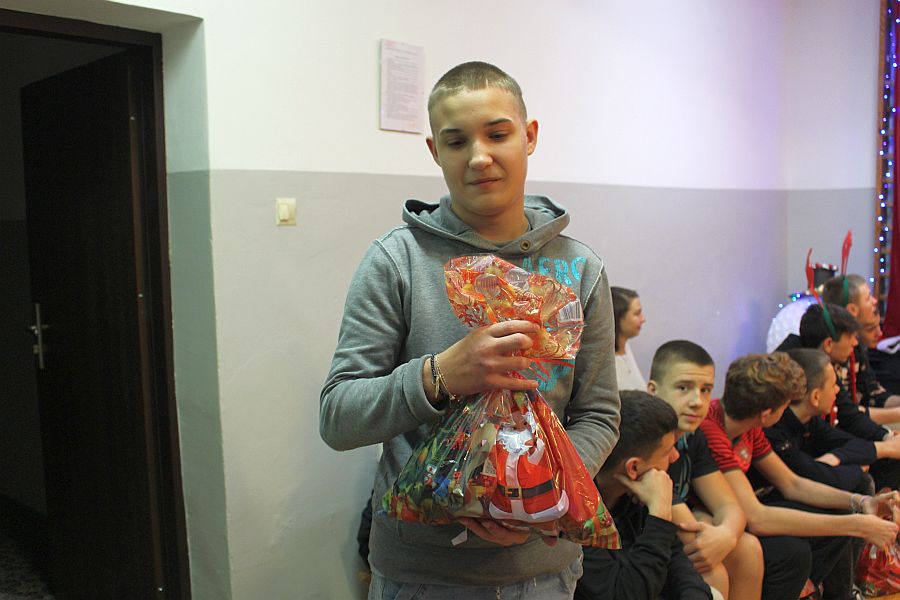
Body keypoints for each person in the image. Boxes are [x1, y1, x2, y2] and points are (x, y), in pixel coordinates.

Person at [319, 61, 621, 599]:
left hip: (544, 571)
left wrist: (534, 497)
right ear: (435, 151)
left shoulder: (581, 270)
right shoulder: (396, 262)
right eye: (456, 141)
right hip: (420, 573)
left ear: (529, 136)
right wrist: (440, 376)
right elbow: (339, 418)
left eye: (498, 134)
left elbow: (598, 413)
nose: (479, 157)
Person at [698, 353, 900, 599]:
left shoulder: (747, 424)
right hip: (715, 522)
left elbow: (792, 483)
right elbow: (757, 517)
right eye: (785, 406)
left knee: (839, 515)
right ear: (767, 414)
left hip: (739, 513)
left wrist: (860, 501)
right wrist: (857, 526)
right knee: (793, 552)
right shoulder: (713, 432)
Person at [648, 341, 763, 600]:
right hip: (642, 543)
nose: (697, 401)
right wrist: (714, 534)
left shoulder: (694, 436)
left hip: (679, 532)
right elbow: (686, 531)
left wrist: (727, 534)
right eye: (683, 388)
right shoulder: (646, 438)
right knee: (712, 572)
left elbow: (729, 505)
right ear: (653, 390)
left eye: (705, 390)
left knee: (749, 548)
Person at [576, 390, 712, 600]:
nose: (676, 456)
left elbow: (684, 573)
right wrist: (659, 515)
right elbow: (626, 595)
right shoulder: (577, 516)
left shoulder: (636, 497)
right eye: (667, 451)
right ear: (634, 468)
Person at [777, 303, 900, 490]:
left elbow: (846, 417)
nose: (855, 343)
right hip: (793, 473)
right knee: (861, 479)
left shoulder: (812, 418)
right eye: (850, 337)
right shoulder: (778, 417)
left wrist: (886, 438)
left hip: (818, 446)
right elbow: (798, 480)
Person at [765, 349, 877, 494]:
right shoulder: (772, 430)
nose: (837, 390)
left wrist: (837, 456)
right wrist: (858, 469)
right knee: (859, 484)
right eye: (833, 385)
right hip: (769, 497)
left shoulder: (810, 420)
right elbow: (818, 479)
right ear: (815, 397)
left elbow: (858, 444)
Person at [823, 275, 900, 417]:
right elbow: (846, 414)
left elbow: (872, 393)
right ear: (852, 310)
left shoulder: (857, 350)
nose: (875, 301)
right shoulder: (826, 358)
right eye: (868, 298)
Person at [612, 286, 647, 390]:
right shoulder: (606, 364)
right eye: (637, 314)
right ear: (618, 318)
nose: (643, 319)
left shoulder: (625, 347)